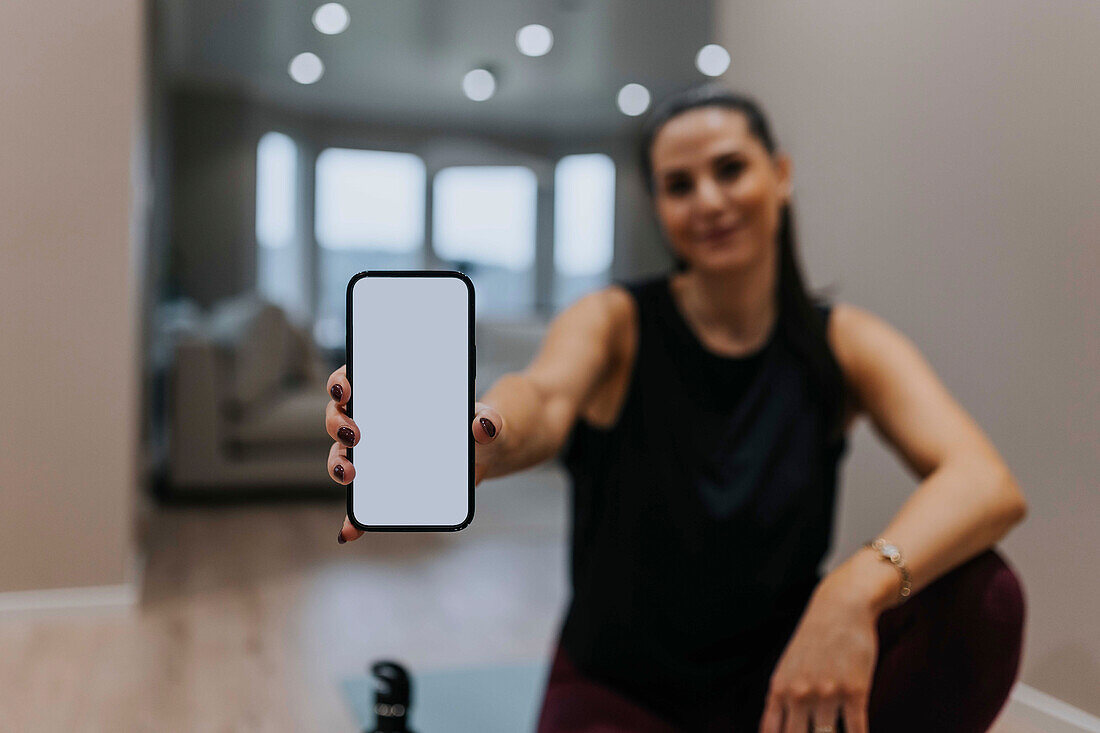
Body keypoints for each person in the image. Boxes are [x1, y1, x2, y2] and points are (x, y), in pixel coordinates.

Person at [324, 85, 1027, 733]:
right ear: (658, 205)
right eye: (679, 185)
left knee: (983, 594)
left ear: (778, 175)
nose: (709, 201)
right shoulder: (615, 321)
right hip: (621, 686)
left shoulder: (845, 342)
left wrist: (852, 591)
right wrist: (480, 434)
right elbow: (542, 395)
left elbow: (983, 481)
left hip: (782, 678)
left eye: (730, 169)